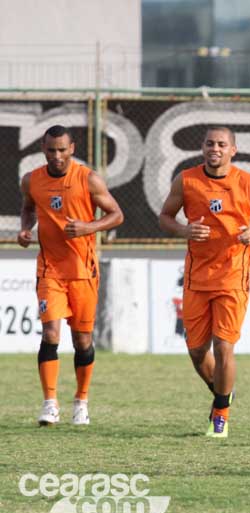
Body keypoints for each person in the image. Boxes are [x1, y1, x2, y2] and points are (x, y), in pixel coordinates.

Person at [159, 126, 250, 438]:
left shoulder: (247, 182)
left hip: (232, 274)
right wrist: (184, 230)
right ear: (202, 147)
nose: (215, 148)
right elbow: (166, 217)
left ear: (233, 150)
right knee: (198, 352)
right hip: (197, 276)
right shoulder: (186, 180)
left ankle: (221, 414)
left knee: (224, 346)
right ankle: (223, 391)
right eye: (210, 143)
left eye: (222, 144)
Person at [17, 125, 124, 426]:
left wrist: (89, 227)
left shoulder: (88, 179)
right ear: (43, 148)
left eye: (62, 149)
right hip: (50, 270)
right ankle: (50, 403)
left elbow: (117, 214)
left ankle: (81, 400)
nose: (57, 155)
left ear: (72, 148)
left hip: (82, 271)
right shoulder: (32, 180)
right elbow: (28, 209)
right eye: (51, 150)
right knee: (50, 333)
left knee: (83, 340)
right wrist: (26, 229)